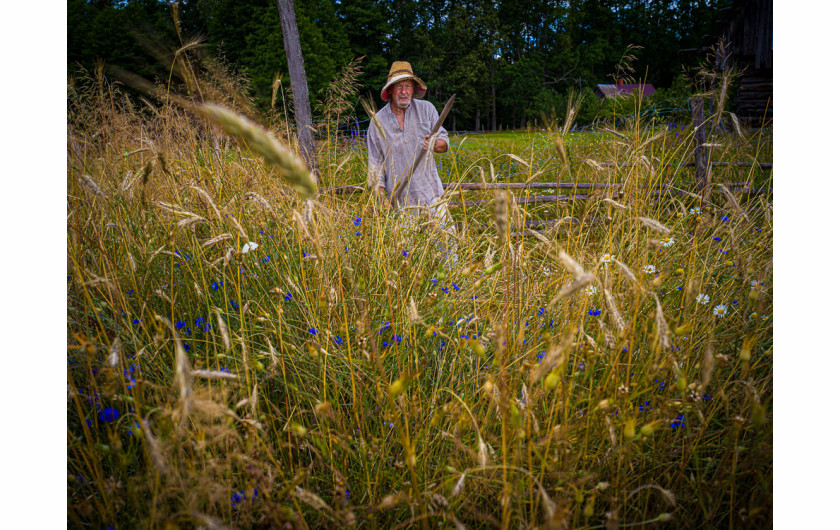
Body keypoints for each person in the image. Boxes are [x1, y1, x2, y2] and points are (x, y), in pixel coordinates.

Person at [366, 61, 451, 221]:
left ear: (413, 89)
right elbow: (375, 166)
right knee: (407, 246)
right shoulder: (378, 122)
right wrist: (382, 200)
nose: (404, 92)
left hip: (432, 196)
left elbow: (444, 143)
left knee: (447, 244)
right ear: (390, 90)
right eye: (399, 87)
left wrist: (434, 144)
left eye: (408, 86)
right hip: (399, 204)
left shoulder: (427, 109)